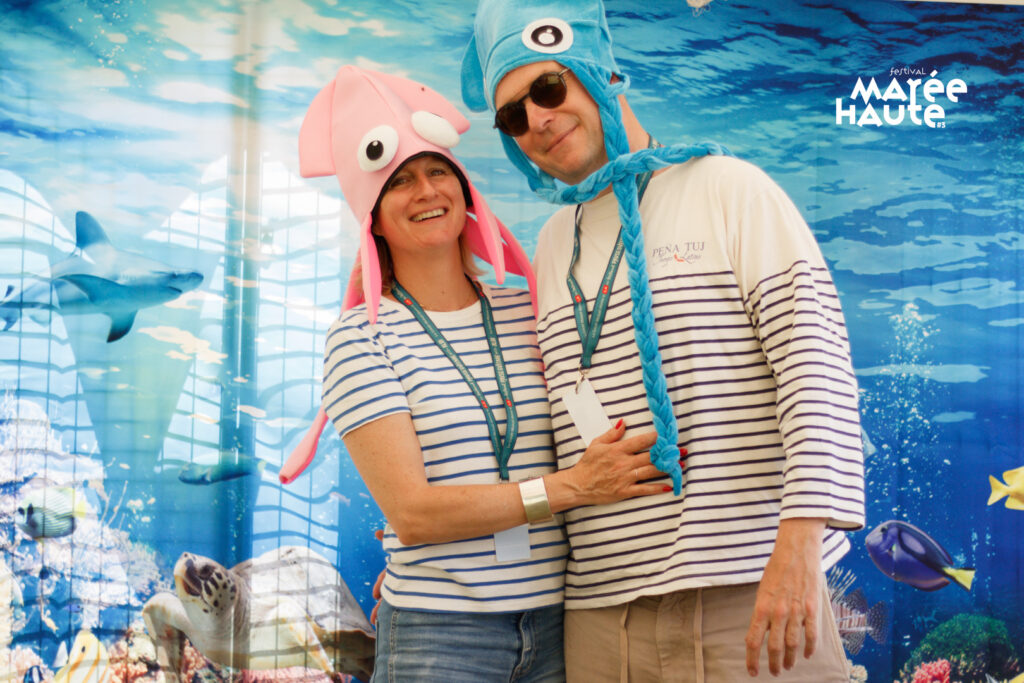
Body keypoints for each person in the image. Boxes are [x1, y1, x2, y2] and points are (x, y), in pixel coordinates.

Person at [460, 2, 866, 681]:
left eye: (549, 88)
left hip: (751, 592)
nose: (537, 120)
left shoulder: (728, 187)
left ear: (600, 71)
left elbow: (816, 367)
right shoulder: (553, 243)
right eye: (512, 116)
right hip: (601, 616)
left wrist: (799, 543)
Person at [298, 65, 671, 682]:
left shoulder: (530, 306)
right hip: (440, 638)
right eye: (399, 182)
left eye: (437, 171)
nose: (425, 191)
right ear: (373, 217)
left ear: (465, 189)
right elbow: (414, 513)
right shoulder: (361, 338)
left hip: (559, 627)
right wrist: (572, 487)